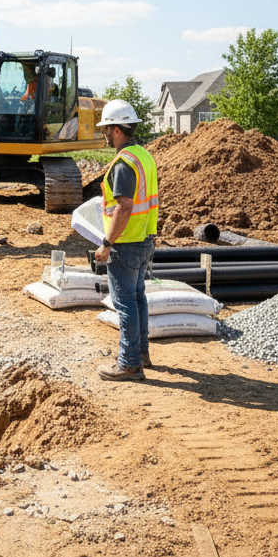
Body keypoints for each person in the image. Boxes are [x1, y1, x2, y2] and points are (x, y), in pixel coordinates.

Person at [93, 99, 159, 381]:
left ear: (117, 129)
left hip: (125, 243)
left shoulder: (123, 164)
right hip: (145, 238)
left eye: (107, 128)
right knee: (137, 298)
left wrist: (106, 243)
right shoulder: (144, 156)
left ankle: (129, 363)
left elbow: (124, 206)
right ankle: (141, 352)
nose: (105, 134)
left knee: (125, 304)